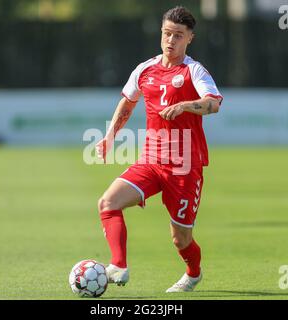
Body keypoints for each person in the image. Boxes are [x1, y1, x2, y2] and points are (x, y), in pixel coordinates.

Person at [95, 6, 223, 293]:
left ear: (190, 38)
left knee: (180, 239)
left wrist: (186, 105)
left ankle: (193, 273)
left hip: (184, 165)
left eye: (178, 35)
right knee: (108, 203)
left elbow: (213, 103)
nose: (171, 40)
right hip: (151, 160)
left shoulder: (194, 70)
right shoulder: (144, 69)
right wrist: (110, 135)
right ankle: (118, 265)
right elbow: (128, 102)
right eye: (167, 33)